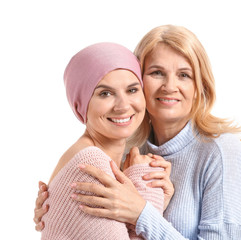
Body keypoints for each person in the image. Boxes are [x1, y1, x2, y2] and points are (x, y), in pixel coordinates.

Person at [34, 25, 241, 239]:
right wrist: (58, 206)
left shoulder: (220, 151)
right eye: (157, 73)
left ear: (200, 87)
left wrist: (142, 212)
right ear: (140, 81)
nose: (170, 86)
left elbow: (139, 220)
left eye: (184, 75)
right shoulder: (127, 152)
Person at [39, 42, 169, 240]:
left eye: (132, 90)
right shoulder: (91, 165)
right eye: (105, 93)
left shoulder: (109, 158)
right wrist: (148, 191)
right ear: (81, 104)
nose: (123, 105)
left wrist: (156, 200)